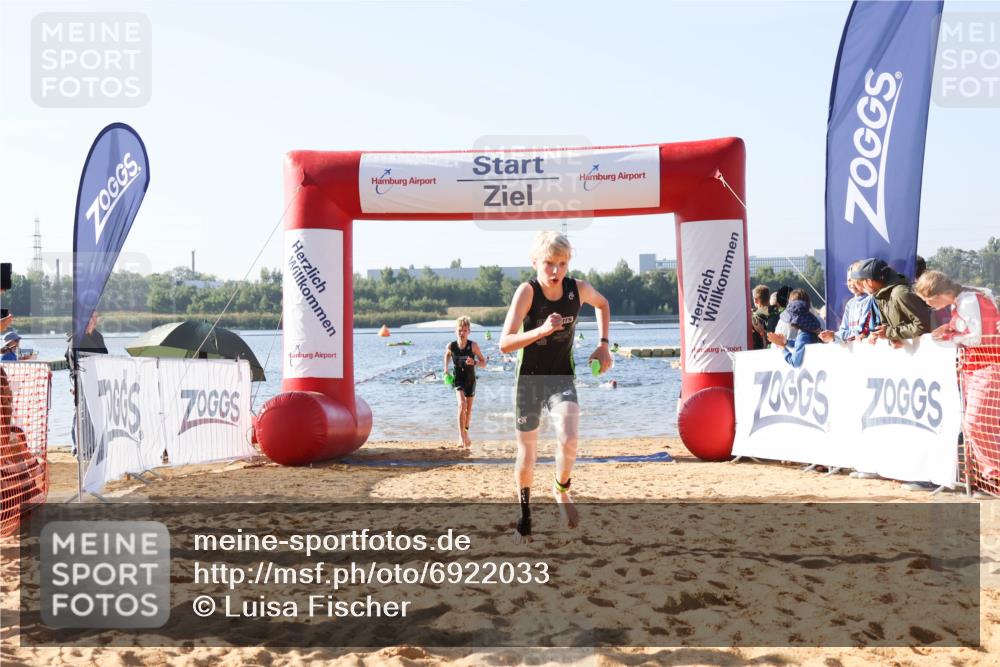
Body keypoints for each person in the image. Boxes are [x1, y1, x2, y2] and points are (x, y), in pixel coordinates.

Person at [499, 231, 612, 544]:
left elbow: (603, 304)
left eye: (561, 264)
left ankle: (561, 488)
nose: (555, 271)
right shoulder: (527, 292)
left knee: (570, 436)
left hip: (561, 376)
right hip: (529, 381)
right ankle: (525, 515)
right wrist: (541, 330)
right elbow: (504, 344)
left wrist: (604, 345)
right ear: (535, 262)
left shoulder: (578, 289)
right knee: (528, 455)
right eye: (548, 263)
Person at [851, 258, 930, 348]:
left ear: (869, 282)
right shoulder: (880, 296)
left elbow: (923, 326)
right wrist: (884, 335)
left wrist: (889, 333)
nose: (861, 286)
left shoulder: (900, 293)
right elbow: (889, 327)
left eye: (862, 282)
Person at [65, 311, 108, 457]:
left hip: (96, 381)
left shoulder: (98, 336)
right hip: (81, 380)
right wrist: (75, 383)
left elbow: (105, 357)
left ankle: (89, 445)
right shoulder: (76, 338)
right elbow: (72, 361)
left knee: (89, 413)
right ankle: (79, 447)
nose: (95, 320)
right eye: (92, 317)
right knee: (81, 412)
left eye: (96, 317)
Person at [443, 316, 486, 448]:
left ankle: (466, 434)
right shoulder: (451, 345)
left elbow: (483, 363)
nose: (462, 333)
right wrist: (446, 368)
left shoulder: (473, 346)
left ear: (469, 331)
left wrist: (474, 362)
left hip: (470, 380)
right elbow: (447, 354)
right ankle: (461, 438)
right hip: (458, 379)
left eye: (465, 330)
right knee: (462, 404)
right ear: (456, 331)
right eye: (460, 330)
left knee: (468, 409)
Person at [819, 261, 881, 343]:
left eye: (854, 279)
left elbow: (861, 332)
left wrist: (835, 336)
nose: (852, 283)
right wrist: (835, 336)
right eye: (849, 280)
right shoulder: (849, 304)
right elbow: (843, 330)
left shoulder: (870, 299)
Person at [766, 289, 823, 367]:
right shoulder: (810, 332)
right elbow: (800, 344)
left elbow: (794, 362)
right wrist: (786, 342)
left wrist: (782, 347)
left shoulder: (803, 336)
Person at [750, 285, 778, 350]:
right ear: (768, 298)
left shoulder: (756, 316)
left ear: (756, 300)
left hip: (762, 351)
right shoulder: (777, 312)